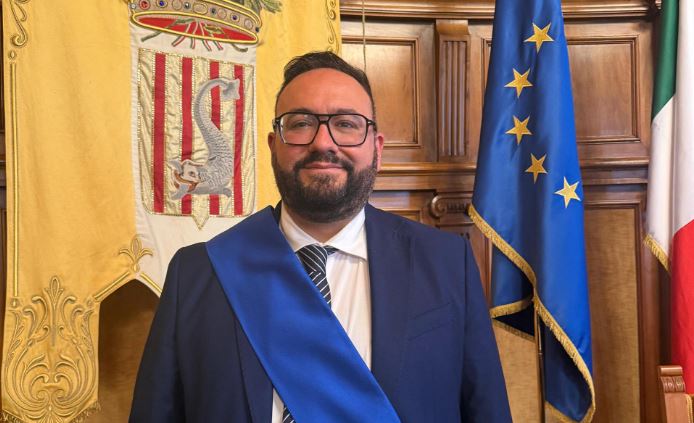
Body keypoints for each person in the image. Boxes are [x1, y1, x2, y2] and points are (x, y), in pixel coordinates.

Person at [130, 51, 511, 422]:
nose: (323, 143)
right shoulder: (197, 273)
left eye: (346, 124)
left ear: (377, 149)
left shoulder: (447, 263)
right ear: (273, 146)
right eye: (300, 123)